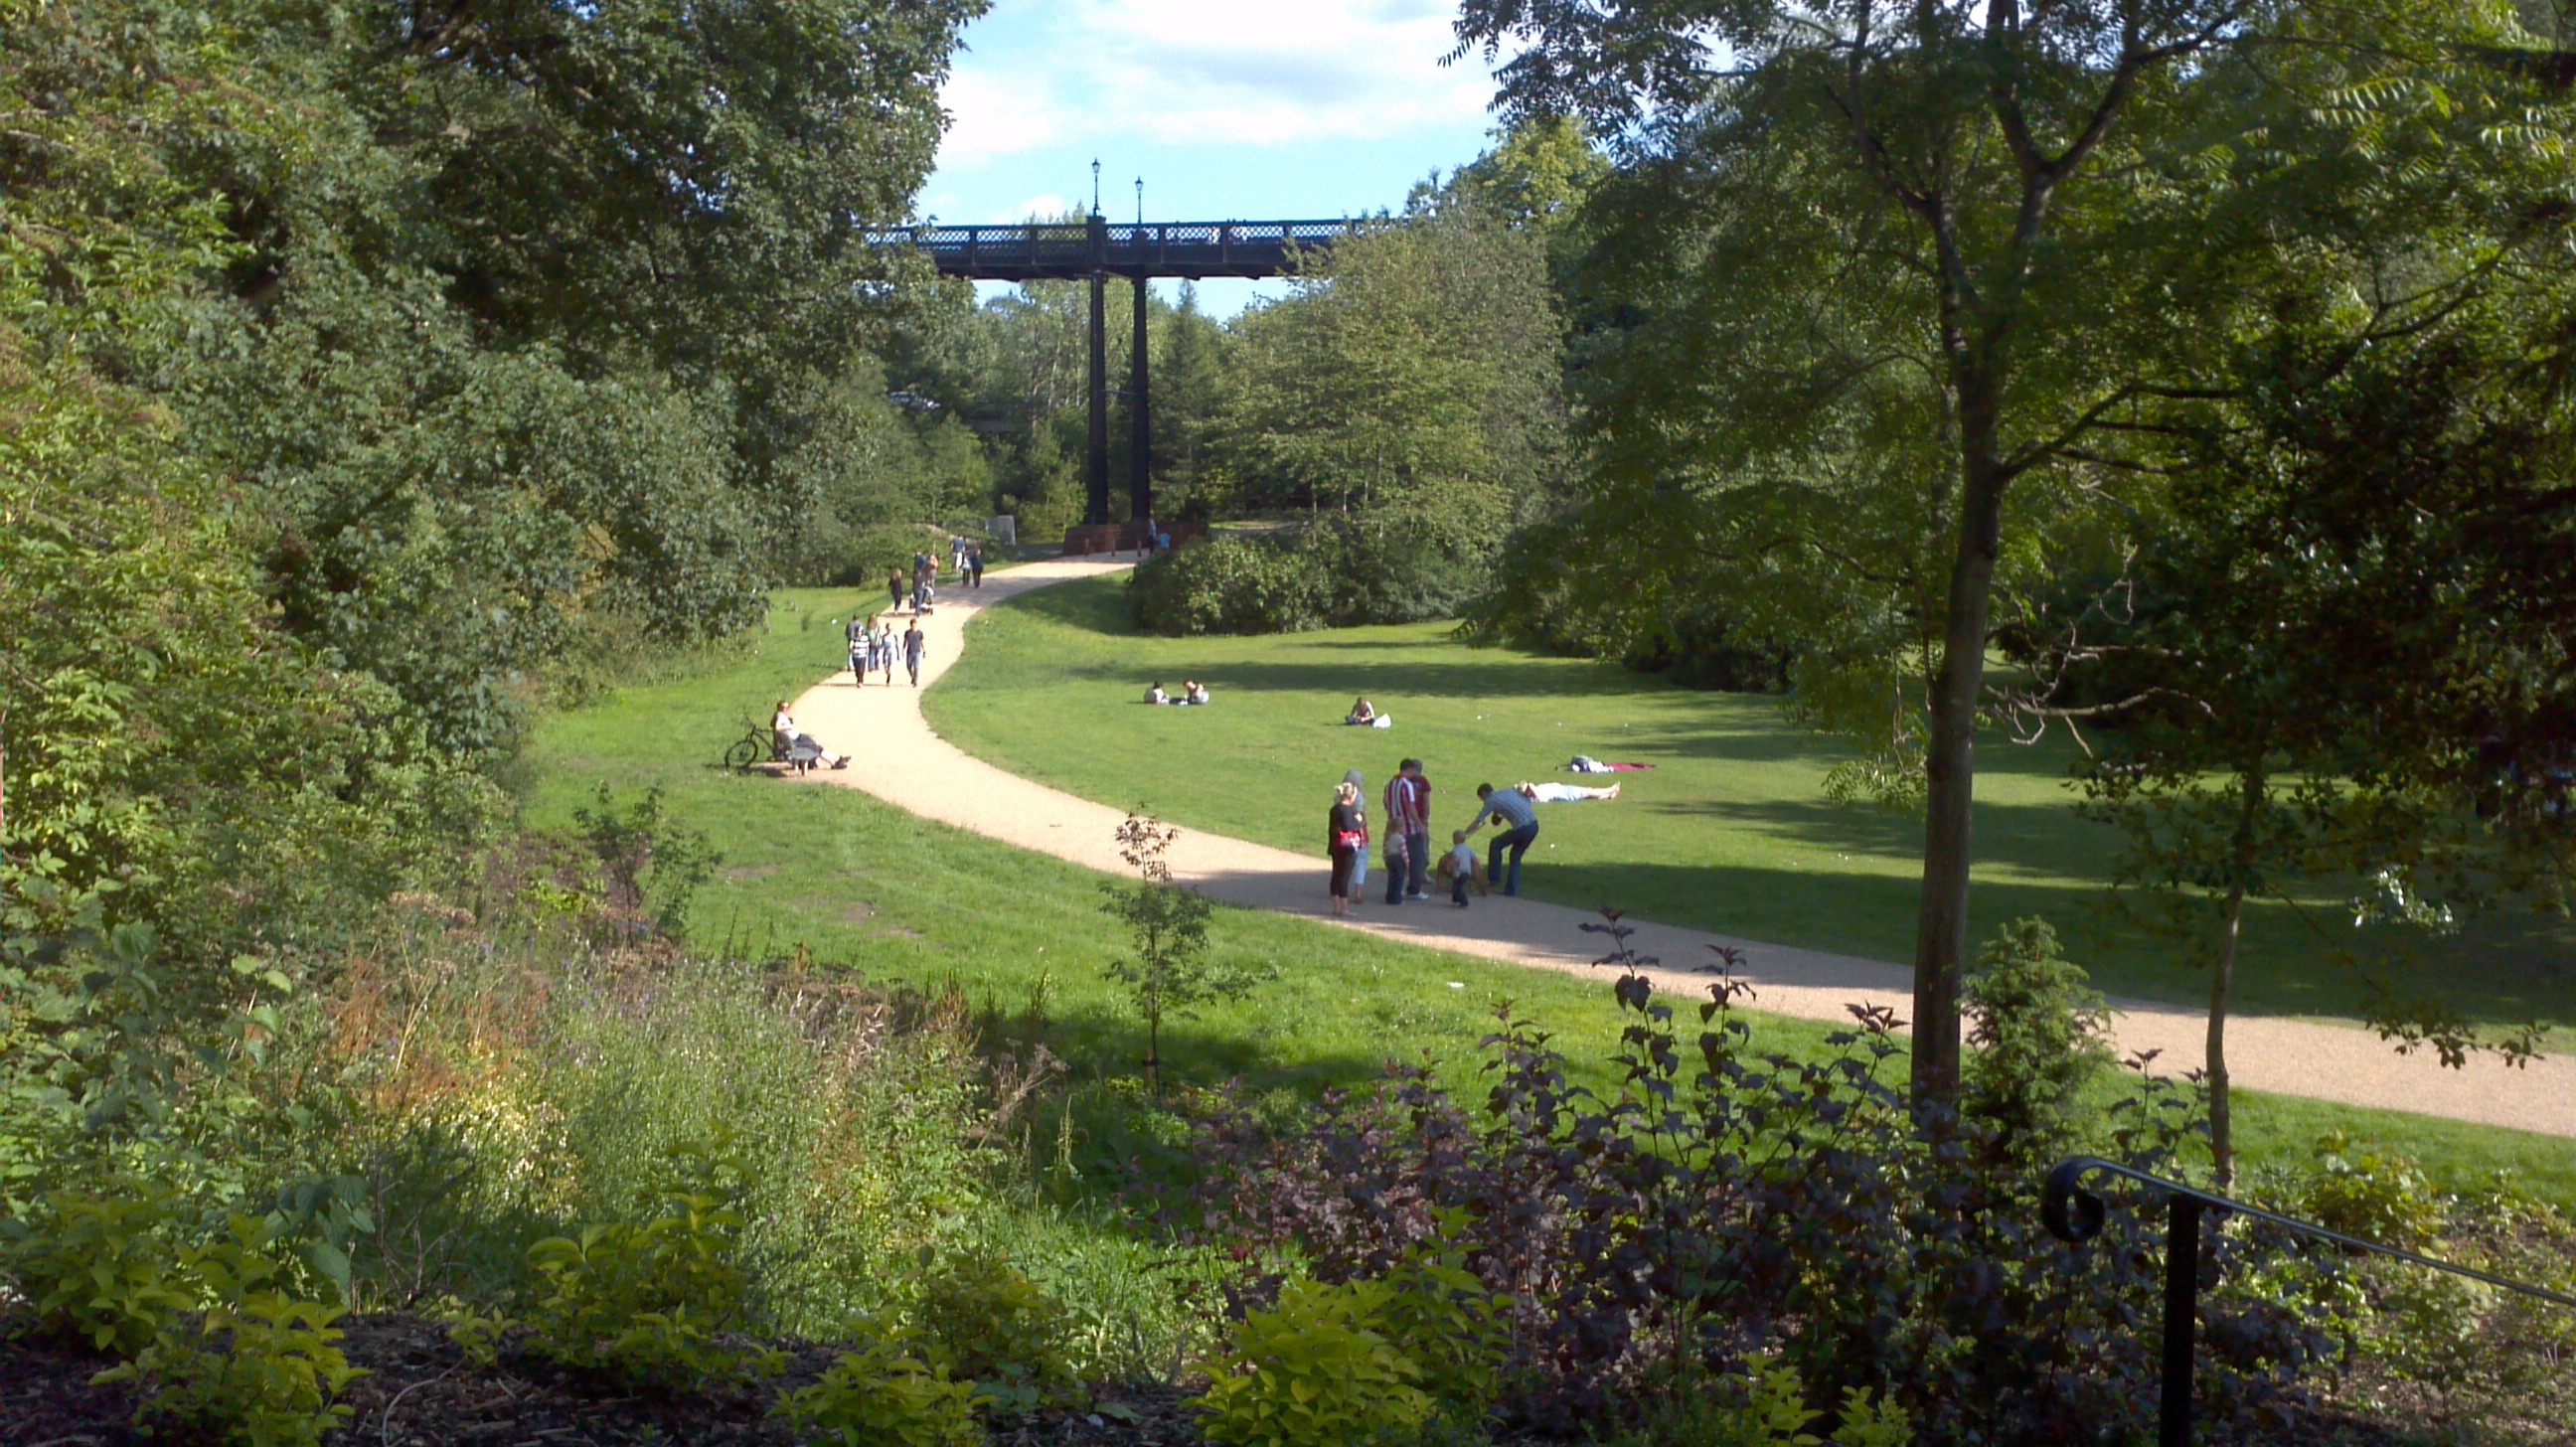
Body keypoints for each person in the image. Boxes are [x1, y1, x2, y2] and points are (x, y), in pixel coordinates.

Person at [1461, 781, 1539, 896]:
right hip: (1534, 825)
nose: (1483, 801)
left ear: (1484, 793)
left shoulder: (1491, 801)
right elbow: (1522, 803)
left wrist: (1464, 834)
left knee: (1496, 844)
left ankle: (1495, 879)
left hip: (1522, 827)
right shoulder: (1508, 791)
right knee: (1515, 856)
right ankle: (1511, 890)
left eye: (1482, 798)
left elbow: (1479, 821)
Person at [1382, 757, 1431, 905]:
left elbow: (1385, 802)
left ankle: (1394, 890)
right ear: (1410, 769)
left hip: (1394, 827)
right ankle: (1414, 890)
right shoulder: (1406, 785)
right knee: (1416, 858)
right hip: (1409, 828)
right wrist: (1420, 824)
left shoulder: (1391, 784)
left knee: (1396, 860)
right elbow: (1410, 806)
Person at [1327, 780, 1367, 917]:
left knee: (1336, 875)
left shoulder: (1334, 809)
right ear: (1351, 796)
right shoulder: (1348, 810)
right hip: (1347, 847)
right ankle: (1344, 908)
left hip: (1335, 845)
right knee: (1344, 877)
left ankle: (1336, 906)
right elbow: (1349, 827)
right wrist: (1359, 822)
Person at [770, 700, 847, 770]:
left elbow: (773, 725)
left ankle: (837, 759)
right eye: (784, 707)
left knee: (816, 746)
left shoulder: (778, 715)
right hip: (796, 741)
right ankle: (835, 762)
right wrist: (789, 726)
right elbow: (777, 727)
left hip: (796, 739)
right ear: (779, 708)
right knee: (816, 747)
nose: (786, 709)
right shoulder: (780, 716)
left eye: (787, 707)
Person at [1437, 829, 1488, 905]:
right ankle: (1456, 898)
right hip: (1467, 872)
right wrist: (1479, 865)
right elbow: (1474, 858)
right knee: (1457, 886)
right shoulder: (1468, 849)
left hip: (1459, 873)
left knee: (1458, 888)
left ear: (1454, 840)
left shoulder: (1456, 850)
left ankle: (1464, 901)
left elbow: (1456, 860)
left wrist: (1449, 866)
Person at [1342, 767, 1369, 898]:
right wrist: (1363, 823)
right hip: (1357, 831)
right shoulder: (1358, 796)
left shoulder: (1339, 795)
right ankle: (1358, 891)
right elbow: (1359, 814)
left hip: (1343, 831)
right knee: (1361, 860)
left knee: (1344, 861)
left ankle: (1342, 888)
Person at [1522, 780, 1621, 803]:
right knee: (1589, 791)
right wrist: (1530, 788)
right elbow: (1533, 788)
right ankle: (1611, 789)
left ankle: (1609, 795)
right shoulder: (1538, 796)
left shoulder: (1534, 792)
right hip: (1564, 793)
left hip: (1564, 789)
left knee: (1589, 794)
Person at [902, 619, 926, 686]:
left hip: (917, 652)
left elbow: (921, 642)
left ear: (916, 624)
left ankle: (916, 681)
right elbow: (905, 641)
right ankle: (913, 677)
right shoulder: (907, 633)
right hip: (909, 651)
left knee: (916, 667)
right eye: (912, 625)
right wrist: (903, 649)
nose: (913, 626)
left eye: (914, 625)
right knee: (908, 666)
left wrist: (924, 650)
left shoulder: (919, 633)